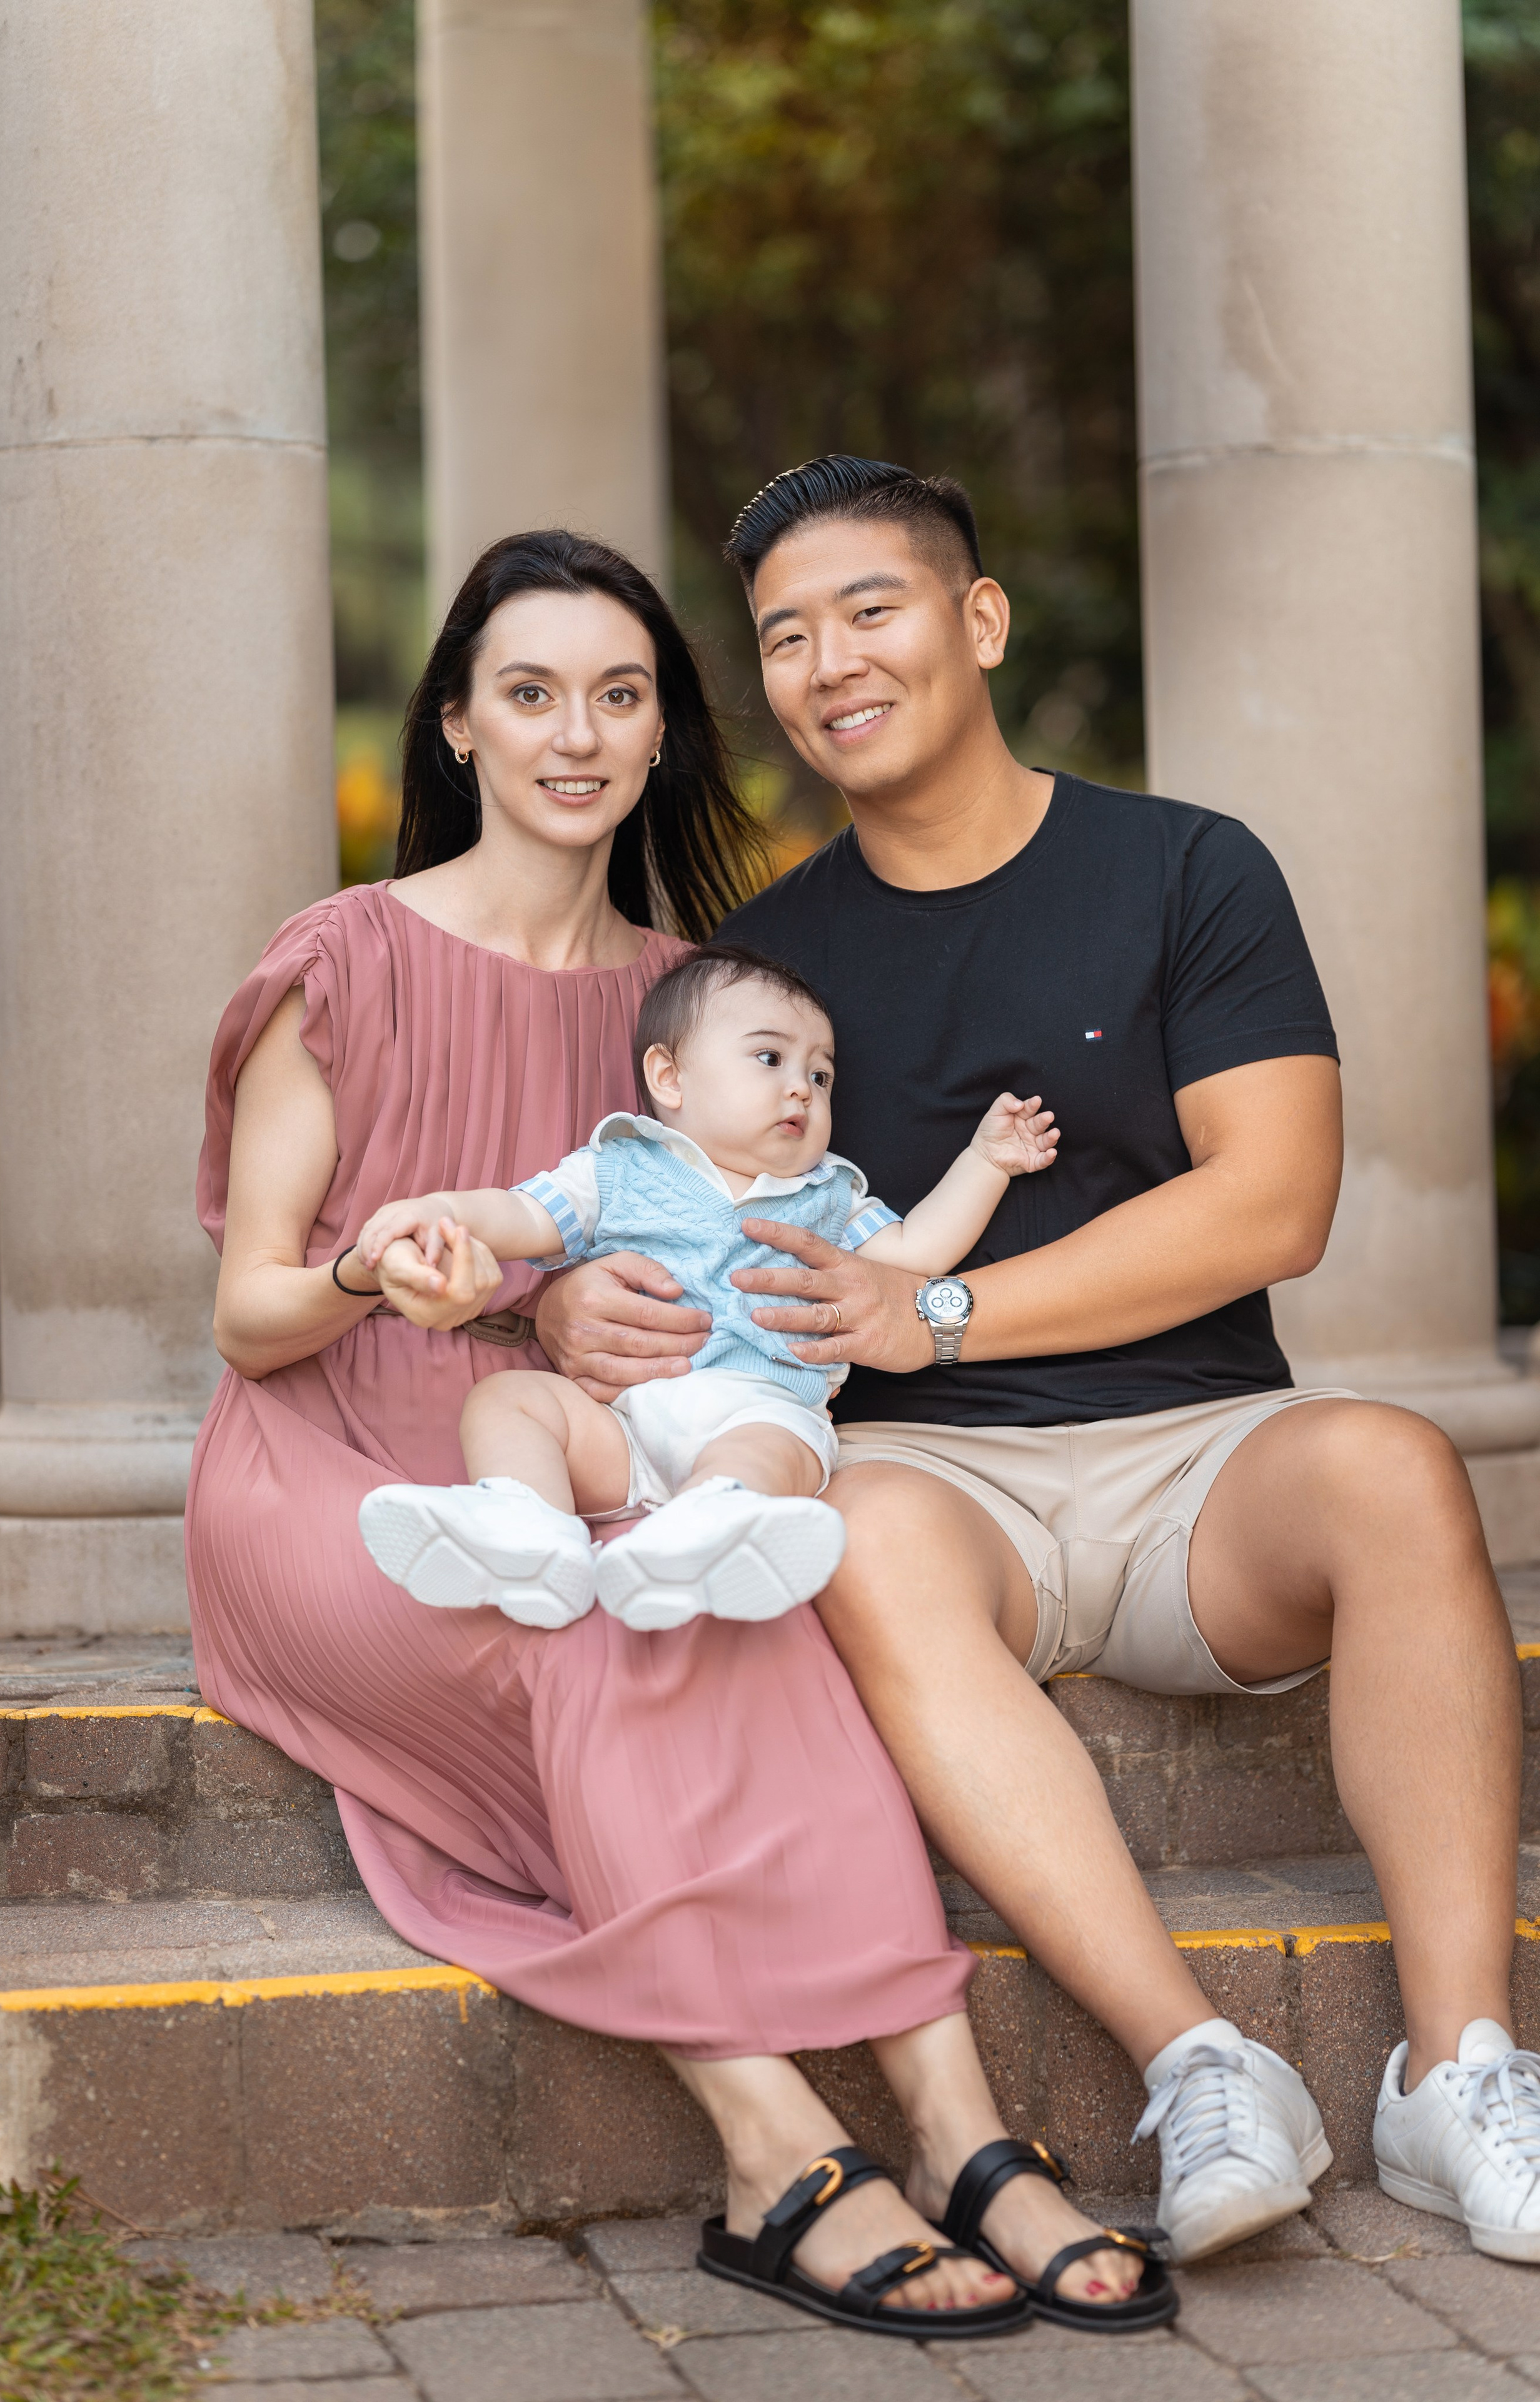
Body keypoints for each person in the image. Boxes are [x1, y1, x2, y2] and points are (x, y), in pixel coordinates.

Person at [534, 457, 1540, 2268]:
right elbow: (650, 1204)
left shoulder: (1186, 868)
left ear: (976, 621)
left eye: (871, 610)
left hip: (1205, 1457)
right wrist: (561, 1311)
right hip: (936, 1486)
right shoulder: (768, 961)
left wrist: (945, 1306)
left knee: (1396, 1464)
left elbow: (1276, 1202)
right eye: (782, 637)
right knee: (869, 1538)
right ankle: (1206, 2064)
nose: (829, 662)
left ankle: (1457, 2074)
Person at [187, 525, 1172, 2334]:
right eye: (533, 693)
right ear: (459, 728)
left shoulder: (706, 1011)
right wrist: (391, 1279)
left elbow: (748, 1269)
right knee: (592, 1646)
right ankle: (770, 2142)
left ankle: (958, 2126)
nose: (579, 733)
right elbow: (251, 1311)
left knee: (754, 1624)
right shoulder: (341, 961)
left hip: (613, 1450)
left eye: (621, 696)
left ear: (661, 736)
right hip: (344, 1466)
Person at [347, 941, 1057, 1630]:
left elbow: (918, 1251)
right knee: (509, 1398)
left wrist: (985, 1161)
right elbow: (520, 1214)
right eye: (769, 1057)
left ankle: (704, 1535)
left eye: (820, 1076)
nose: (798, 1088)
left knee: (763, 1455)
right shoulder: (618, 1166)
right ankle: (528, 1531)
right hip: (625, 1428)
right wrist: (442, 1212)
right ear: (670, 1078)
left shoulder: (829, 1194)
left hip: (764, 1410)